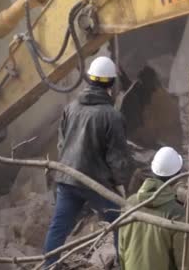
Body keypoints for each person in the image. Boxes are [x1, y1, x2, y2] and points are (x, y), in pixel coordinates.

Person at [43, 56, 130, 267]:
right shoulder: (112, 116)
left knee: (59, 226)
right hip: (95, 183)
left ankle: (49, 265)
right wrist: (122, 188)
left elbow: (62, 145)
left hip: (68, 178)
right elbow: (117, 158)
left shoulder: (71, 108)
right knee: (122, 221)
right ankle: (124, 264)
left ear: (90, 80)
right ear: (111, 84)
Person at [119, 147, 189, 270]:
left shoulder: (130, 204)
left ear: (153, 170)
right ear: (177, 176)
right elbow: (188, 263)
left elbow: (122, 250)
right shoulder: (176, 214)